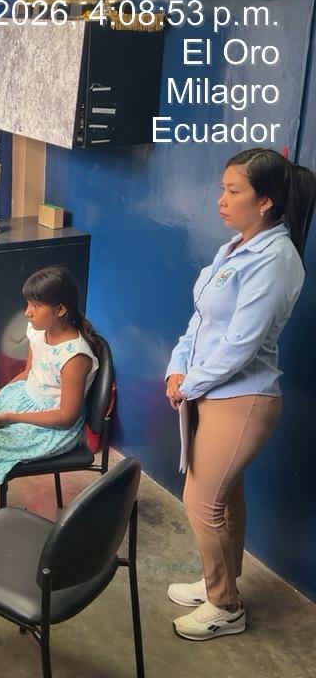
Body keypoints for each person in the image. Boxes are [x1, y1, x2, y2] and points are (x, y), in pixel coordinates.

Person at [165, 148, 315, 641]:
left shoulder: (277, 260)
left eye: (233, 191)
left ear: (266, 201)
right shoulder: (234, 248)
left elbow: (240, 345)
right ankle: (222, 583)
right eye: (222, 189)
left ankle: (225, 606)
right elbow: (201, 321)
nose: (221, 200)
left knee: (200, 499)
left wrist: (191, 385)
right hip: (211, 391)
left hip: (243, 399)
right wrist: (176, 368)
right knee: (225, 498)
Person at [0, 265, 99, 532]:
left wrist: (12, 416)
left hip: (50, 429)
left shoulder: (75, 356)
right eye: (28, 304)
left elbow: (66, 416)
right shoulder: (39, 332)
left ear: (60, 310)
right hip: (22, 401)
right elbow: (28, 373)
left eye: (35, 306)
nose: (27, 312)